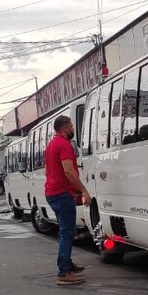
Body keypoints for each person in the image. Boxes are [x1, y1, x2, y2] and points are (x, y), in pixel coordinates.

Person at [44, 115, 92, 285]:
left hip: (52, 193)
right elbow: (69, 172)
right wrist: (84, 191)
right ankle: (64, 272)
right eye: (71, 125)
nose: (73, 128)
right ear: (65, 128)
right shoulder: (64, 145)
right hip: (62, 194)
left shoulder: (51, 145)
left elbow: (48, 170)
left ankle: (67, 265)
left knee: (64, 231)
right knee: (67, 232)